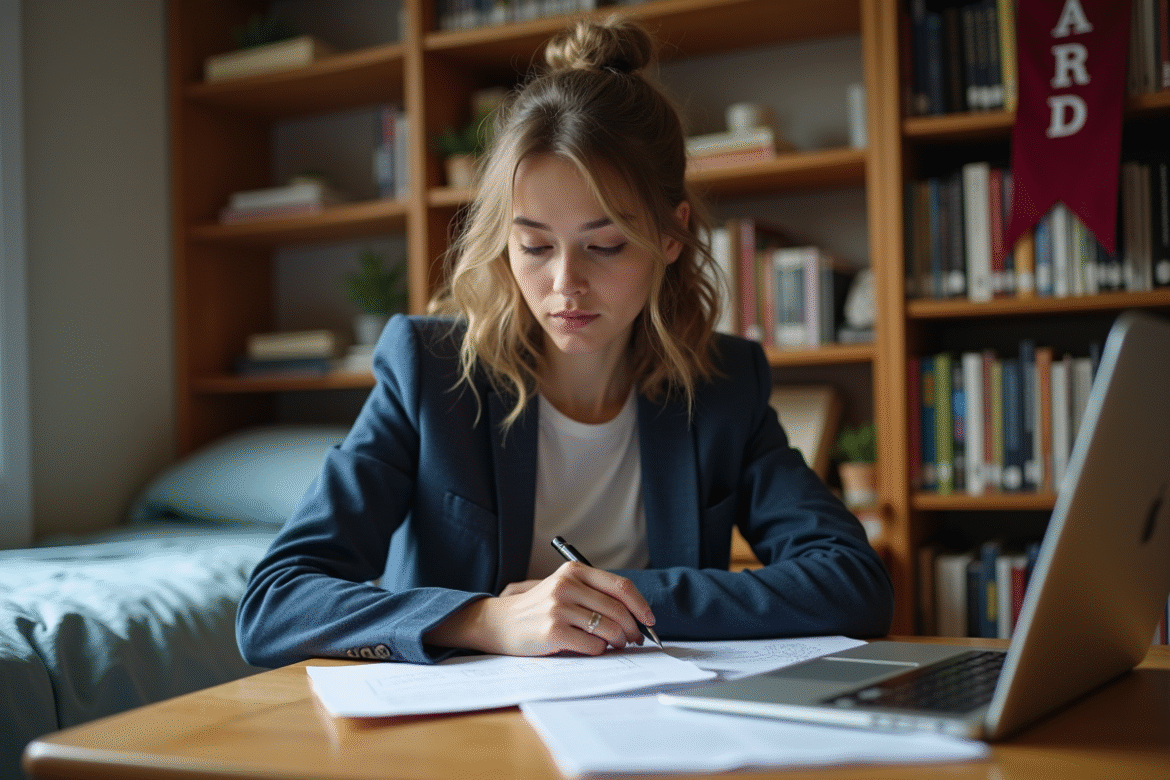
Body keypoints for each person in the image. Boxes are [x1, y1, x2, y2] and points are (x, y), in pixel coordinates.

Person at [236, 16, 894, 668]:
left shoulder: (723, 384)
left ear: (672, 236)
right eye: (534, 245)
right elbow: (276, 605)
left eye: (604, 246)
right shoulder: (430, 373)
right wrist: (486, 618)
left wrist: (612, 601)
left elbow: (851, 583)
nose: (564, 284)